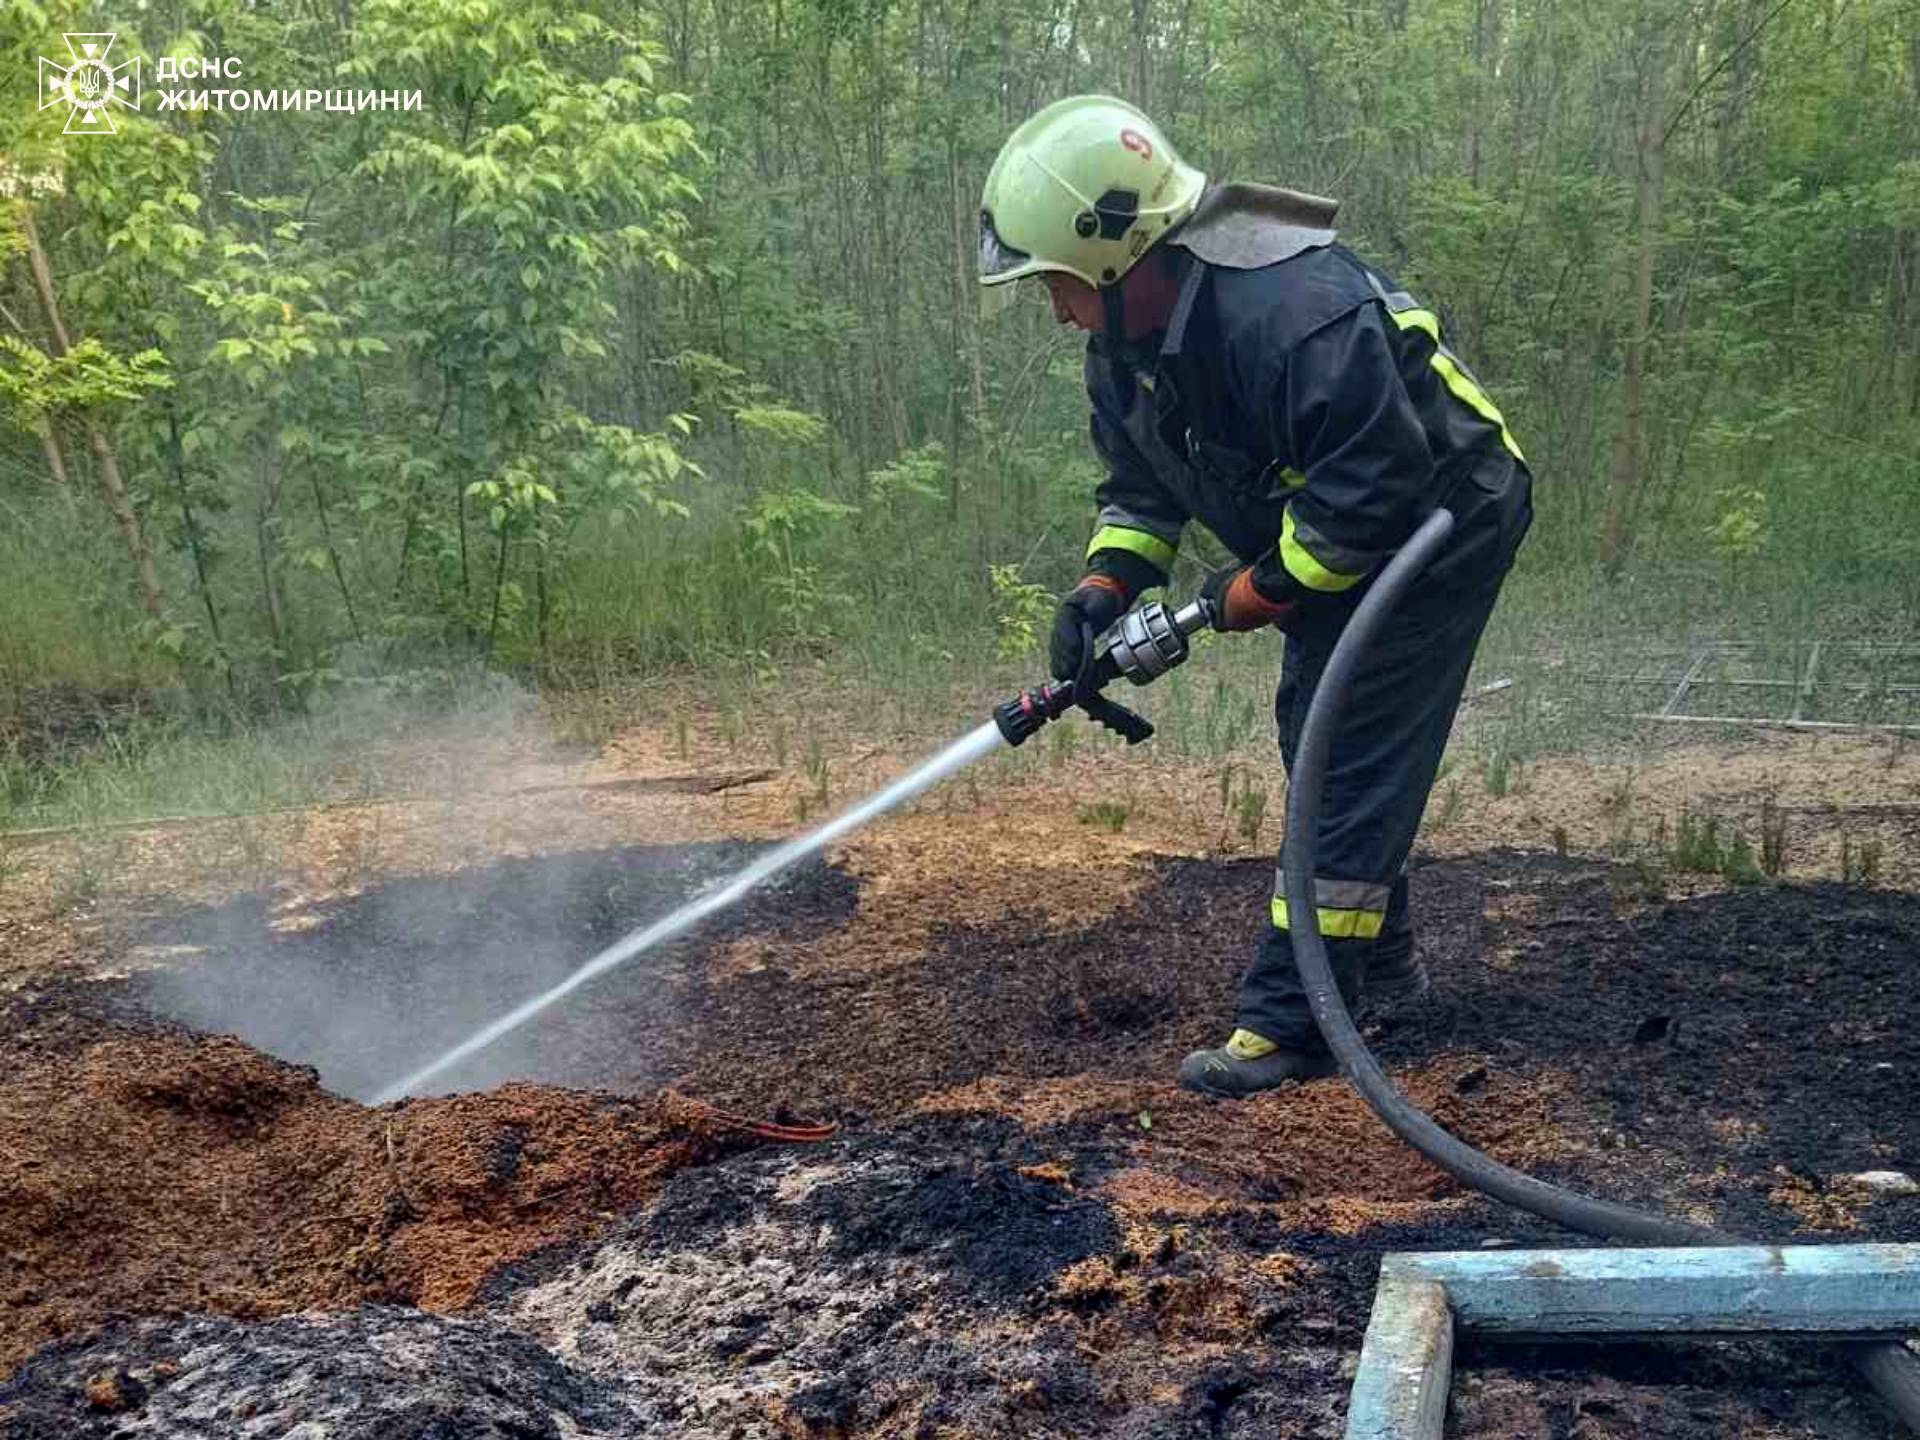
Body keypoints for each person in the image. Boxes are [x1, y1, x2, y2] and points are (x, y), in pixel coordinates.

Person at [978, 95, 1533, 1098]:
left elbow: (1370, 493)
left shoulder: (1291, 313)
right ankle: (1378, 967)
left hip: (1441, 518)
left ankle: (1296, 1022)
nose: (1055, 309)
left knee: (1345, 744)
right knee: (1315, 735)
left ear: (1114, 259)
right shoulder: (1125, 358)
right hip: (1342, 520)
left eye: (1055, 282)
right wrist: (1106, 585)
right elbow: (1142, 490)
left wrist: (1246, 593)